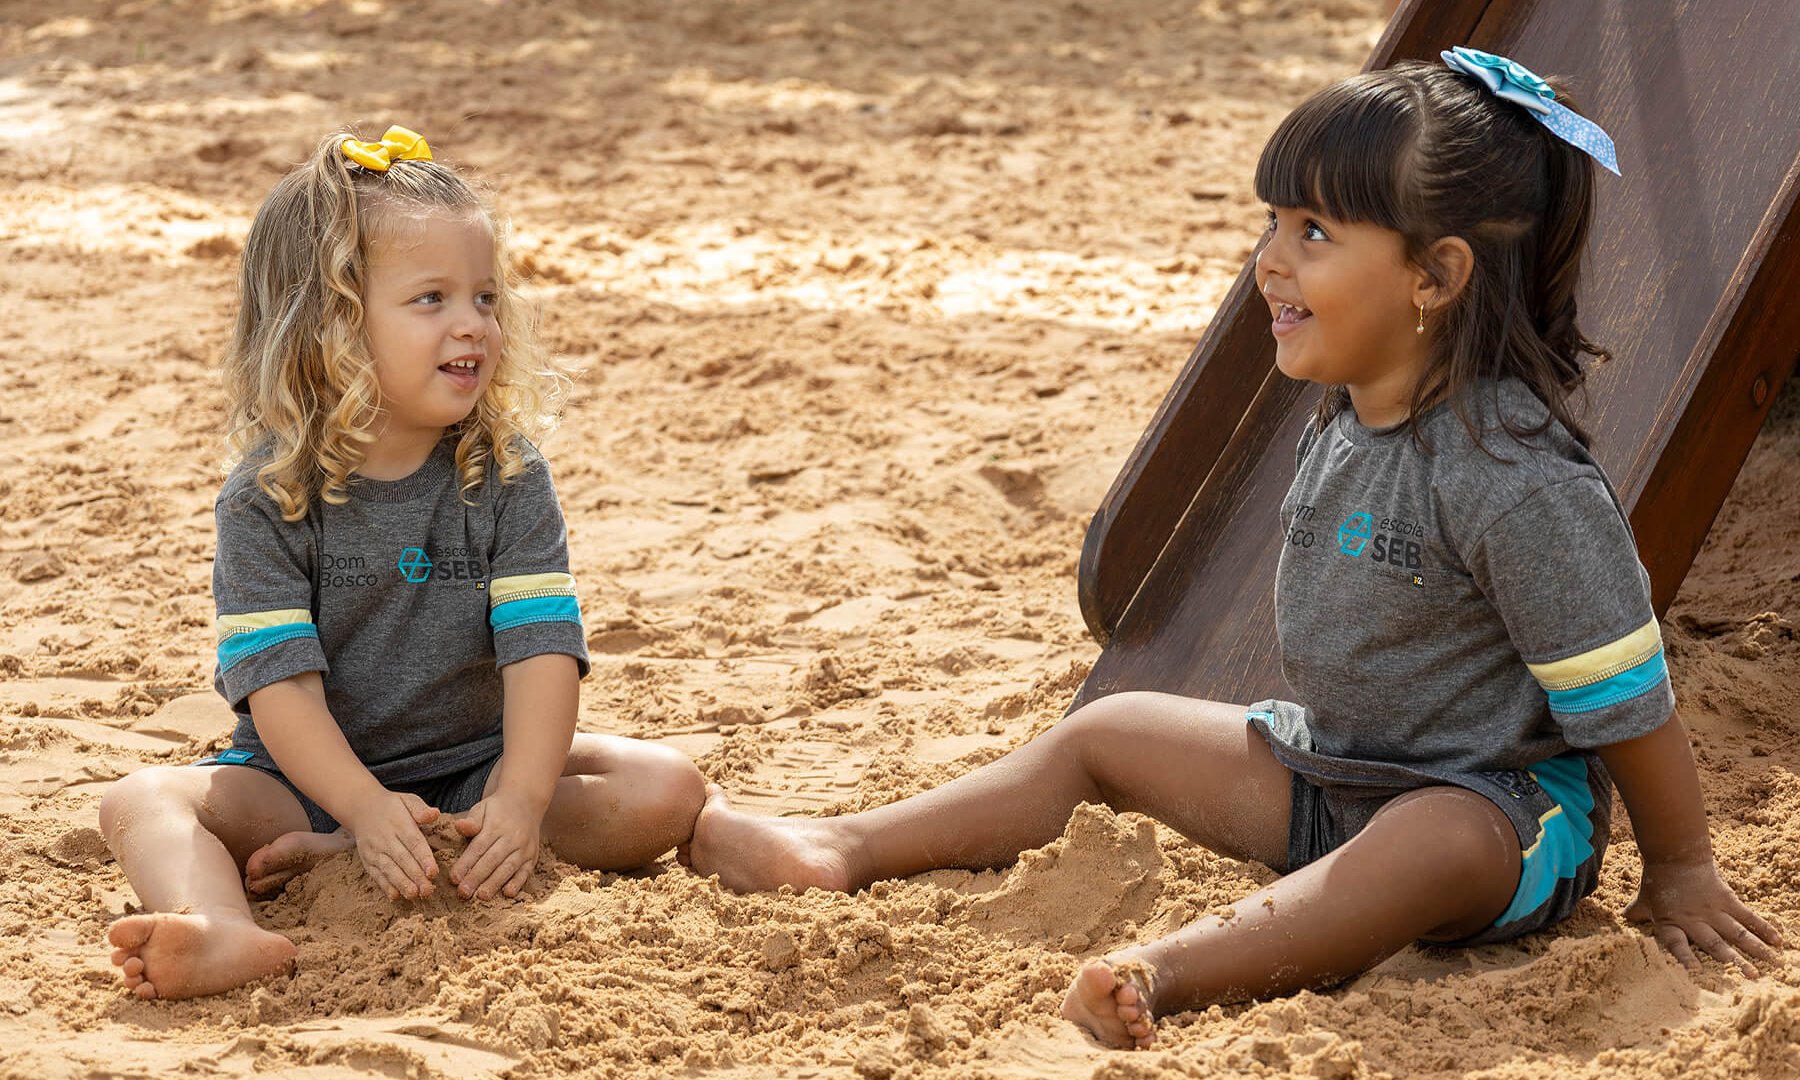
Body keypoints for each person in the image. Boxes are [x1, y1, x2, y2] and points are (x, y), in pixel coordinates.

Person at [687, 53, 1784, 1049]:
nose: (1269, 263)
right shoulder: (1346, 410)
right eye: (1272, 224)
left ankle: (1165, 969)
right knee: (1108, 729)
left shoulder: (1517, 476)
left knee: (1428, 844)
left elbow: (1627, 694)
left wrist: (1681, 869)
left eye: (1314, 234)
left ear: (1434, 278)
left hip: (1495, 813)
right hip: (1326, 770)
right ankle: (842, 846)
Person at [98, 126, 706, 1001]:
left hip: (476, 769)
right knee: (141, 800)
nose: (473, 324)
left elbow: (541, 649)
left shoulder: (507, 475)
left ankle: (402, 849)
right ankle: (225, 926)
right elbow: (281, 689)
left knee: (662, 788)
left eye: (487, 297)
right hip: (303, 785)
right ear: (331, 327)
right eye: (432, 298)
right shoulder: (265, 498)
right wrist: (361, 807)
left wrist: (524, 800)